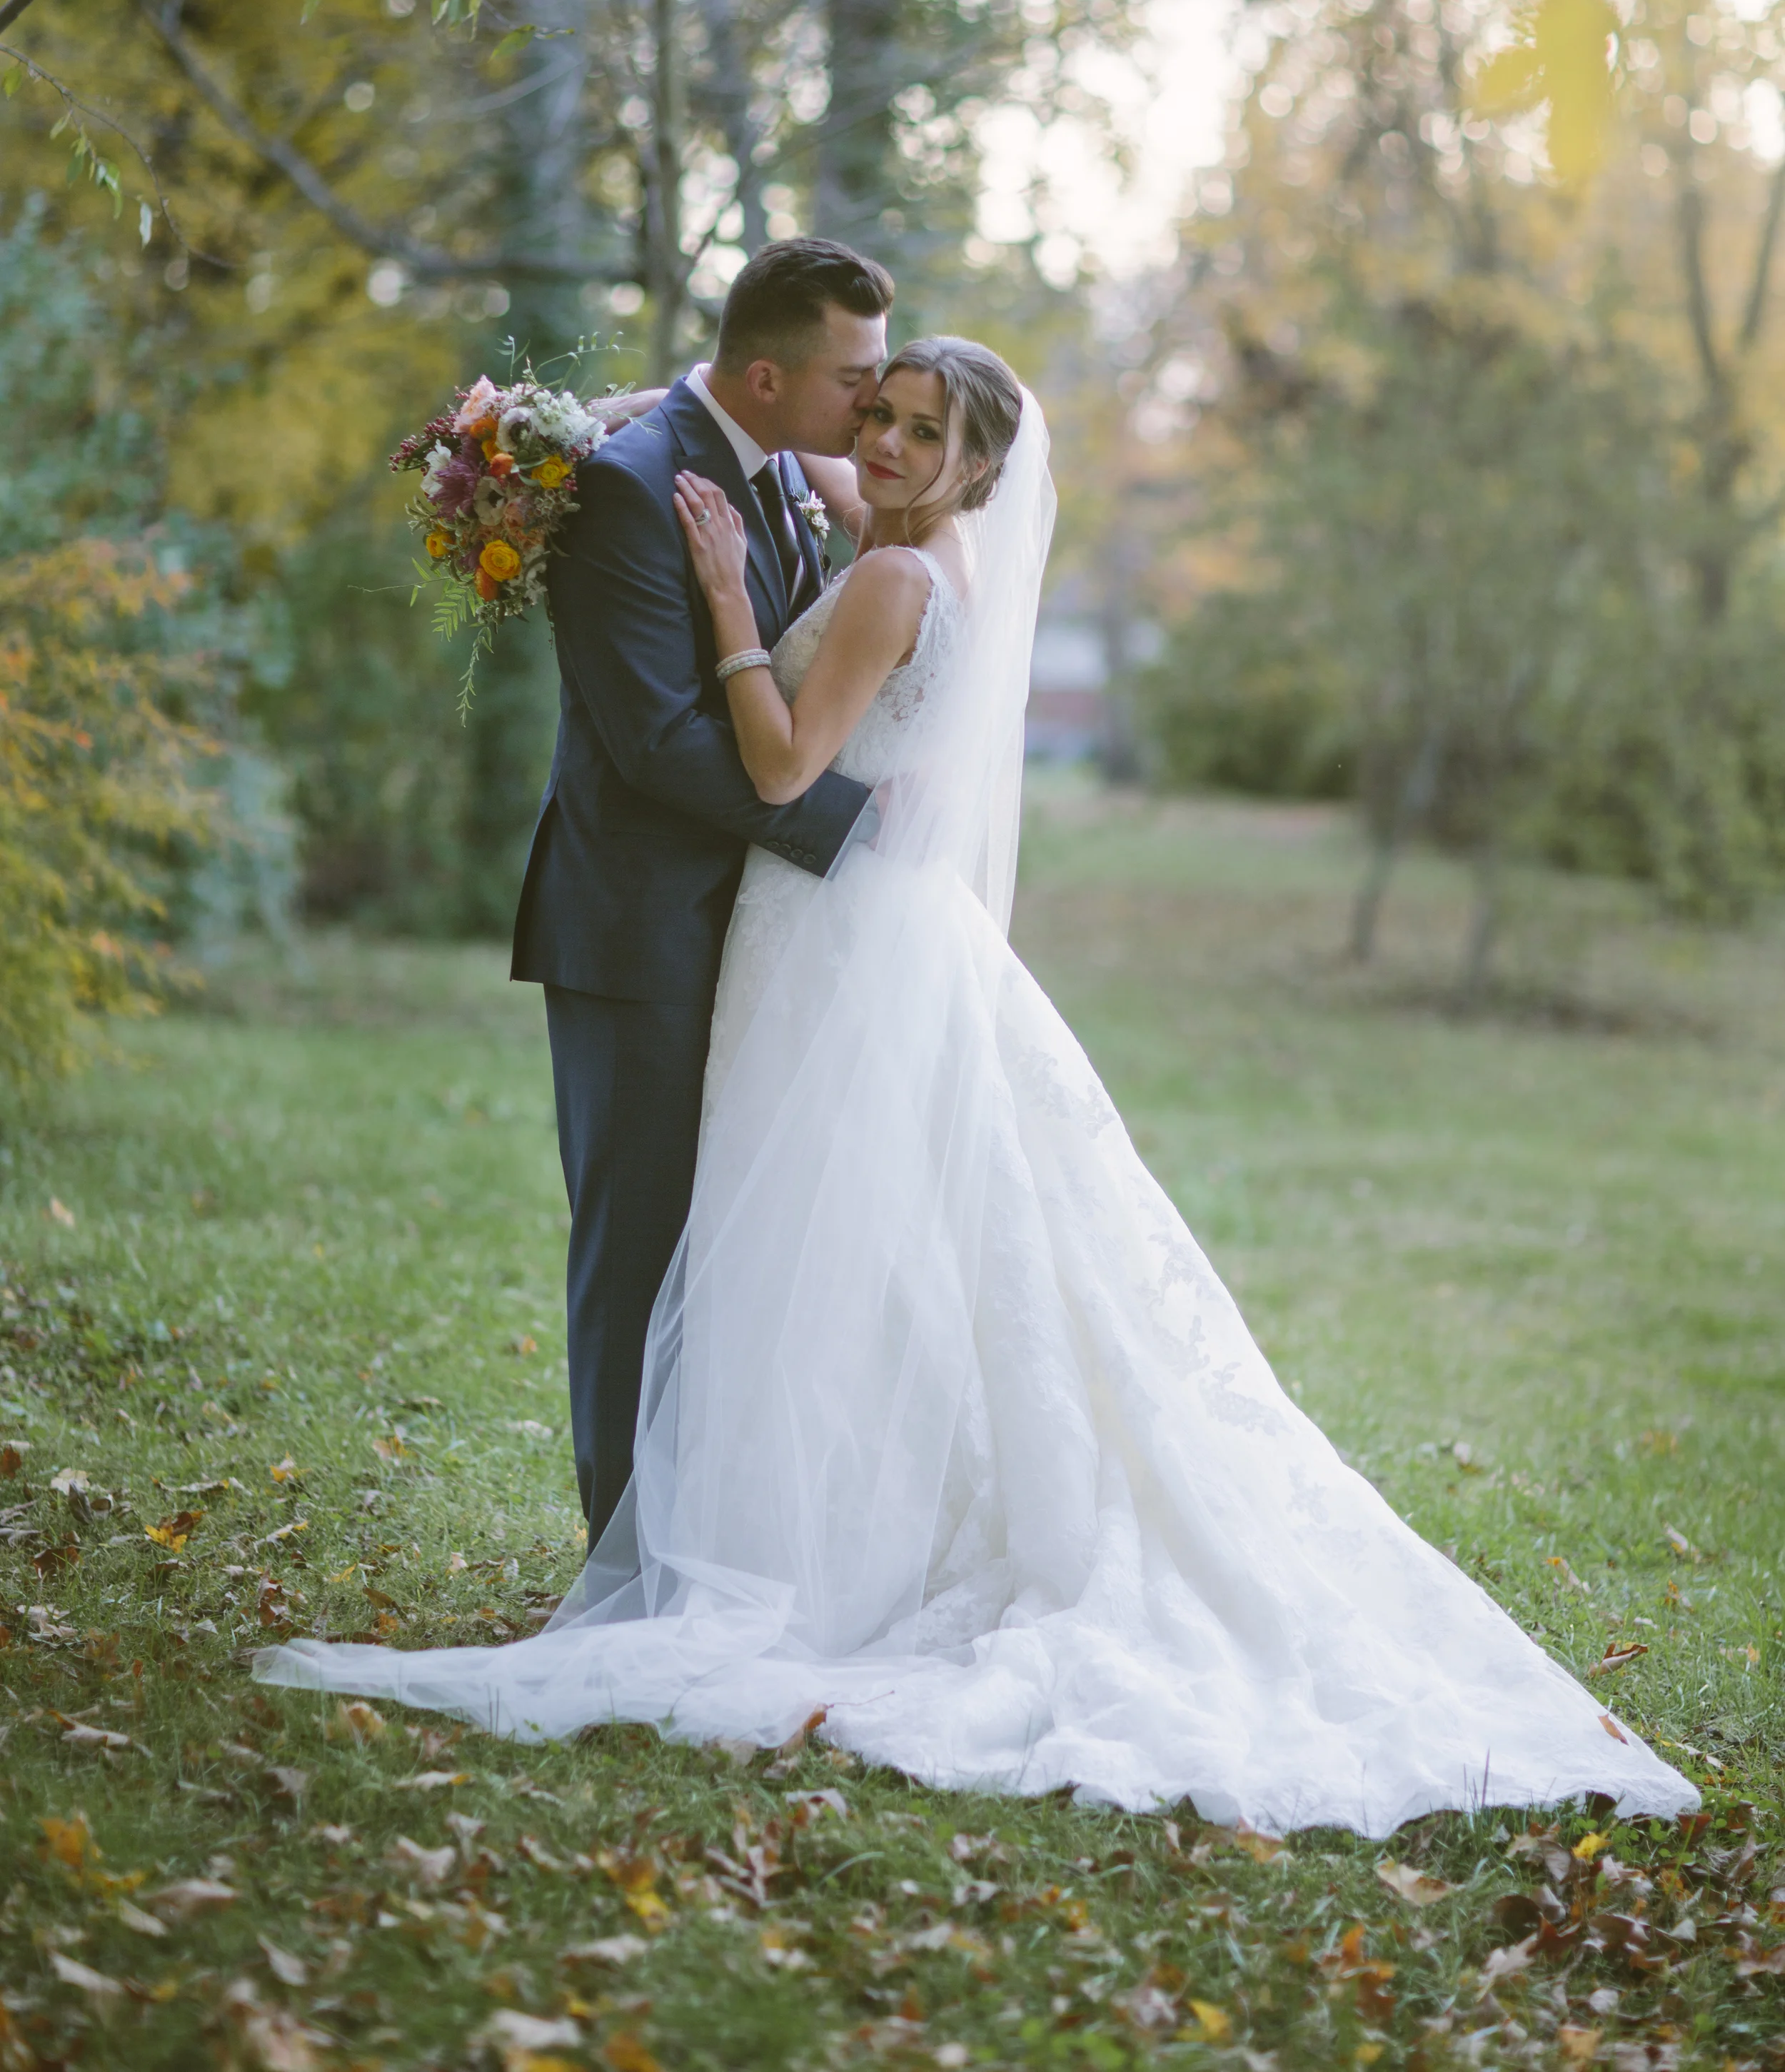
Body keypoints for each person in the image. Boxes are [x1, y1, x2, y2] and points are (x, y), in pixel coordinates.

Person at [261, 339, 1699, 1836]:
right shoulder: (905, 526)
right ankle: (835, 1521)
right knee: (872, 1250)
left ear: (977, 471)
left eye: (916, 430)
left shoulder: (891, 581)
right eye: (874, 413)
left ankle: (810, 1557)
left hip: (832, 937)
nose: (876, 443)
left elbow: (774, 768)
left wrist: (724, 608)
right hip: (870, 929)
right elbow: (754, 431)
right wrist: (583, 424)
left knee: (821, 1237)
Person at [508, 235, 893, 1546]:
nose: (876, 404)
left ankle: (701, 1538)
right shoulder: (628, 487)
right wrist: (848, 822)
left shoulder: (782, 467)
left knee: (726, 1251)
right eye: (858, 378)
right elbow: (660, 740)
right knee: (637, 1251)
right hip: (639, 931)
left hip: (748, 935)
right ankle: (621, 1561)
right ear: (771, 375)